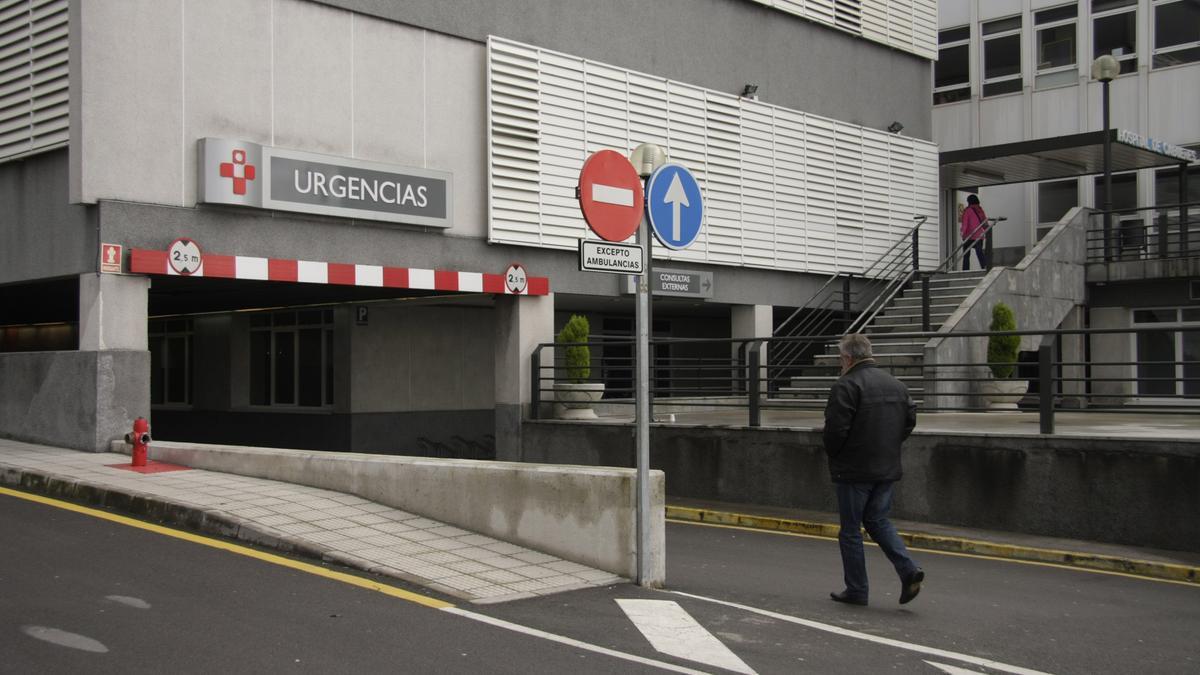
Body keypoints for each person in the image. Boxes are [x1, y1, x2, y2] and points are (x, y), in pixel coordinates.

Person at [822, 333, 923, 606]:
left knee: (851, 530)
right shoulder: (897, 385)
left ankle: (857, 589)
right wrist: (889, 446)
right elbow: (909, 421)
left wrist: (836, 455)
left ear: (846, 357)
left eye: (840, 359)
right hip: (887, 467)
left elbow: (835, 431)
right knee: (878, 520)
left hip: (854, 470)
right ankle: (908, 570)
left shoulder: (845, 385)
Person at [960, 193, 988, 270]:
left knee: (966, 255)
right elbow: (984, 223)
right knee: (979, 252)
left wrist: (962, 233)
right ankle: (984, 266)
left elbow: (965, 223)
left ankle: (965, 270)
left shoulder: (967, 210)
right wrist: (987, 231)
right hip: (979, 236)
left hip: (968, 236)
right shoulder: (980, 210)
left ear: (969, 201)